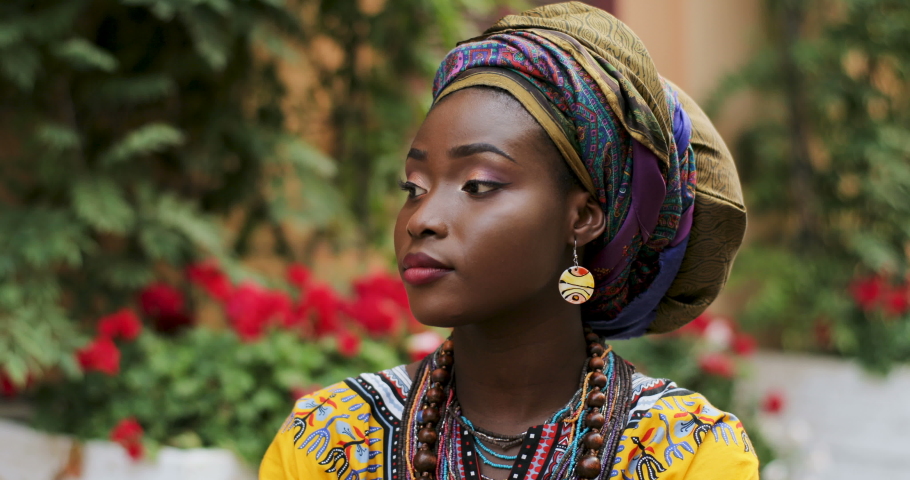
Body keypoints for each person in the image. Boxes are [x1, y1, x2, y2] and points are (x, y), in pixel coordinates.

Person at [259, 2, 755, 479]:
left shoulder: (690, 455)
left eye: (478, 184)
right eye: (414, 187)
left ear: (582, 217)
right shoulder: (326, 441)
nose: (421, 219)